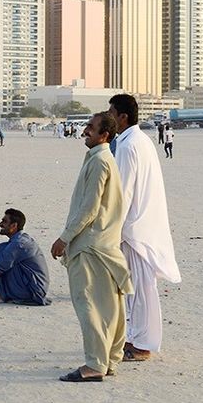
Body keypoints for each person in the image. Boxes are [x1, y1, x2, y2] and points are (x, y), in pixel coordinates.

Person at [52, 112, 129, 381]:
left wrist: (65, 237)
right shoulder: (103, 158)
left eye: (91, 128)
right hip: (105, 243)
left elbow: (89, 208)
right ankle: (110, 360)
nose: (85, 131)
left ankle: (95, 365)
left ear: (104, 135)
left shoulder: (100, 162)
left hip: (91, 246)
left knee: (90, 305)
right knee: (110, 306)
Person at [107, 93, 180, 363]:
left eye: (112, 112)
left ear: (123, 116)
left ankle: (141, 345)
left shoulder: (128, 146)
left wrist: (112, 229)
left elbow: (122, 193)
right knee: (137, 288)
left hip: (134, 227)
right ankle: (136, 338)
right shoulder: (140, 140)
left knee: (139, 289)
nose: (110, 117)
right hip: (142, 223)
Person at [0, 207, 50, 305]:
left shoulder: (19, 244)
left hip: (33, 291)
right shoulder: (19, 241)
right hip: (32, 287)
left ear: (14, 226)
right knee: (1, 249)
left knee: (2, 256)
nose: (0, 224)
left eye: (4, 222)